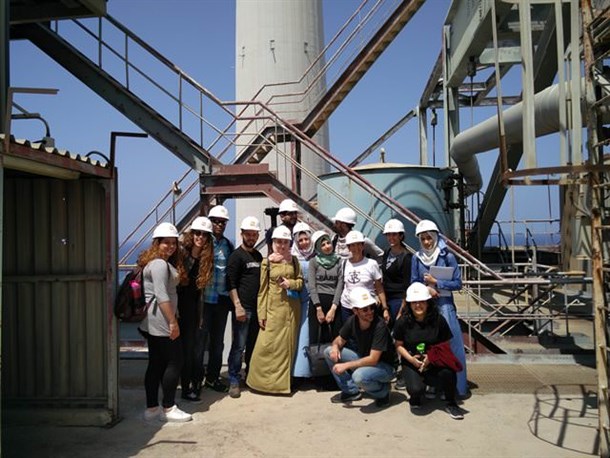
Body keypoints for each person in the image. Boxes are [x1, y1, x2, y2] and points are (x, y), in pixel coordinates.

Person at [139, 222, 192, 422]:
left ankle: (152, 408)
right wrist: (173, 322)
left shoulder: (152, 262)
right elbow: (162, 296)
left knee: (156, 363)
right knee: (175, 361)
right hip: (162, 319)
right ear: (156, 243)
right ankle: (168, 408)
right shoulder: (160, 264)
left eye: (173, 243)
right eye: (165, 243)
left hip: (152, 320)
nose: (170, 246)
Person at [410, 219, 469, 398]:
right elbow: (413, 282)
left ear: (435, 237)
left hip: (444, 305)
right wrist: (426, 288)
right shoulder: (416, 257)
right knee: (427, 345)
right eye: (423, 239)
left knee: (450, 345)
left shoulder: (447, 256)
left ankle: (455, 387)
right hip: (426, 306)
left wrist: (438, 283)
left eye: (429, 238)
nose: (427, 242)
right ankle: (433, 384)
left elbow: (458, 283)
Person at [393, 282, 465, 420]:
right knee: (415, 390)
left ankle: (451, 403)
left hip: (434, 358)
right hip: (412, 359)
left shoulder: (438, 320)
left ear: (428, 302)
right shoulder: (402, 322)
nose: (418, 305)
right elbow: (399, 345)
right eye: (414, 302)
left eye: (421, 302)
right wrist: (411, 360)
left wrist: (430, 357)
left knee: (448, 371)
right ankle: (417, 394)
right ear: (409, 304)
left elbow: (445, 342)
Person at [247, 226, 304, 394]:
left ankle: (284, 383)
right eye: (279, 242)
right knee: (266, 346)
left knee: (288, 346)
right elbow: (262, 290)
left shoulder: (294, 260)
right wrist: (261, 313)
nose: (282, 245)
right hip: (273, 310)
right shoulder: (267, 262)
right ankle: (261, 383)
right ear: (273, 243)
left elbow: (300, 282)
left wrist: (291, 284)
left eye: (285, 242)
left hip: (292, 310)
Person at [323, 286, 396, 407]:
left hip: (385, 366)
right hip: (365, 359)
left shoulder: (380, 326)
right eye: (365, 309)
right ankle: (351, 391)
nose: (370, 312)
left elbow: (373, 359)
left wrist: (345, 365)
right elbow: (339, 340)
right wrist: (335, 347)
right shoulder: (352, 320)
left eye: (371, 308)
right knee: (328, 351)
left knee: (359, 376)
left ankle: (383, 393)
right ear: (355, 311)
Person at [198, 204, 234, 393]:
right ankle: (196, 380)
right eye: (216, 221)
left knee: (217, 343)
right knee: (200, 341)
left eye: (223, 222)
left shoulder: (228, 245)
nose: (219, 224)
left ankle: (212, 378)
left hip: (221, 301)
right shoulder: (202, 241)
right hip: (204, 301)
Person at [226, 216, 263, 399]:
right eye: (248, 234)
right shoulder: (236, 256)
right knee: (239, 346)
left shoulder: (258, 256)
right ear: (242, 234)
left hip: (257, 310)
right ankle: (233, 378)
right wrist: (238, 306)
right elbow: (230, 282)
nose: (251, 237)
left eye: (254, 234)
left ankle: (250, 376)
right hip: (243, 309)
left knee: (253, 345)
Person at [177, 216, 214, 403]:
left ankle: (188, 387)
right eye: (197, 233)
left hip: (193, 308)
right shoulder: (181, 252)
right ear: (192, 234)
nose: (200, 237)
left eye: (204, 234)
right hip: (177, 306)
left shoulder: (206, 258)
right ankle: (179, 387)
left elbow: (200, 289)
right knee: (179, 351)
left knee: (190, 349)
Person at [340, 230, 389, 325]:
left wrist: (385, 308)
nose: (356, 248)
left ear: (363, 246)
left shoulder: (371, 264)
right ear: (348, 247)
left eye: (359, 244)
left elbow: (379, 288)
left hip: (367, 308)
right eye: (352, 245)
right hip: (347, 307)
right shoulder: (344, 264)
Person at [308, 230, 343, 345]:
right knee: (316, 340)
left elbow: (340, 285)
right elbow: (312, 286)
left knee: (335, 339)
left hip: (334, 304)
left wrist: (333, 309)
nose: (327, 246)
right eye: (322, 245)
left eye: (328, 243)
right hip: (317, 304)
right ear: (318, 247)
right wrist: (318, 309)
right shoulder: (313, 262)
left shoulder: (339, 261)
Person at [291, 222, 315, 381]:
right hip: (295, 300)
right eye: (300, 240)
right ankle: (294, 373)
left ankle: (307, 372)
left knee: (307, 336)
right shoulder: (291, 257)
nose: (304, 242)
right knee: (295, 335)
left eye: (306, 239)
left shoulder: (316, 256)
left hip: (311, 301)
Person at [381, 219, 412, 325]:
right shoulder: (387, 252)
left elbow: (407, 285)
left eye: (394, 234)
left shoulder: (406, 257)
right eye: (388, 235)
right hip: (386, 299)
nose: (391, 238)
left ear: (401, 236)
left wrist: (401, 311)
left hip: (398, 301)